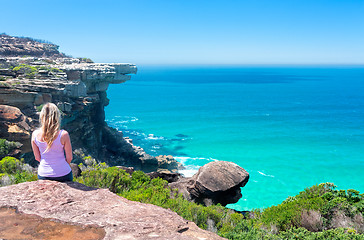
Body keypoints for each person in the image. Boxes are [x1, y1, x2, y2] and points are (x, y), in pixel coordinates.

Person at [31, 102, 73, 182]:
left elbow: (37, 157)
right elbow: (69, 158)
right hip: (63, 174)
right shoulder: (63, 134)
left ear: (42, 116)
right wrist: (60, 167)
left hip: (44, 174)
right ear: (57, 116)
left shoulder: (35, 134)